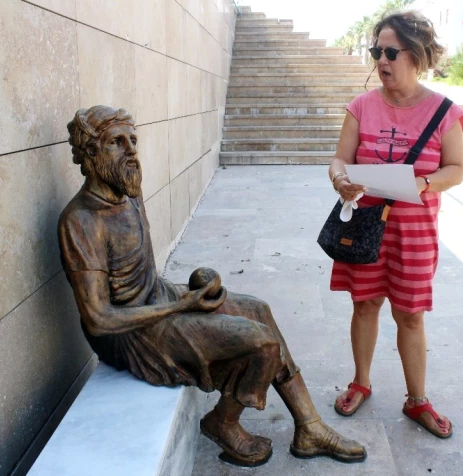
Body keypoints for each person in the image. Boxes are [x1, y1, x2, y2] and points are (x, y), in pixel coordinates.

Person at [58, 105, 366, 467]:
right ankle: (223, 421)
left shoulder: (127, 190)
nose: (131, 152)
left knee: (257, 310)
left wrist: (194, 293)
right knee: (260, 344)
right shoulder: (80, 221)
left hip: (156, 299)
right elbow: (98, 319)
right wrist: (181, 306)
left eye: (133, 141)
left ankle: (310, 426)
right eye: (116, 143)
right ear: (91, 152)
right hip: (129, 335)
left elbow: (142, 277)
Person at [327, 11, 463, 439]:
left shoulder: (445, 112)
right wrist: (339, 179)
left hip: (415, 232)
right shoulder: (361, 106)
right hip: (367, 224)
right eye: (377, 51)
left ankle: (417, 400)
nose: (381, 61)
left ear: (417, 55)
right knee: (364, 304)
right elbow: (340, 158)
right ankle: (361, 382)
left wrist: (425, 182)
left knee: (410, 315)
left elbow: (456, 169)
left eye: (391, 52)